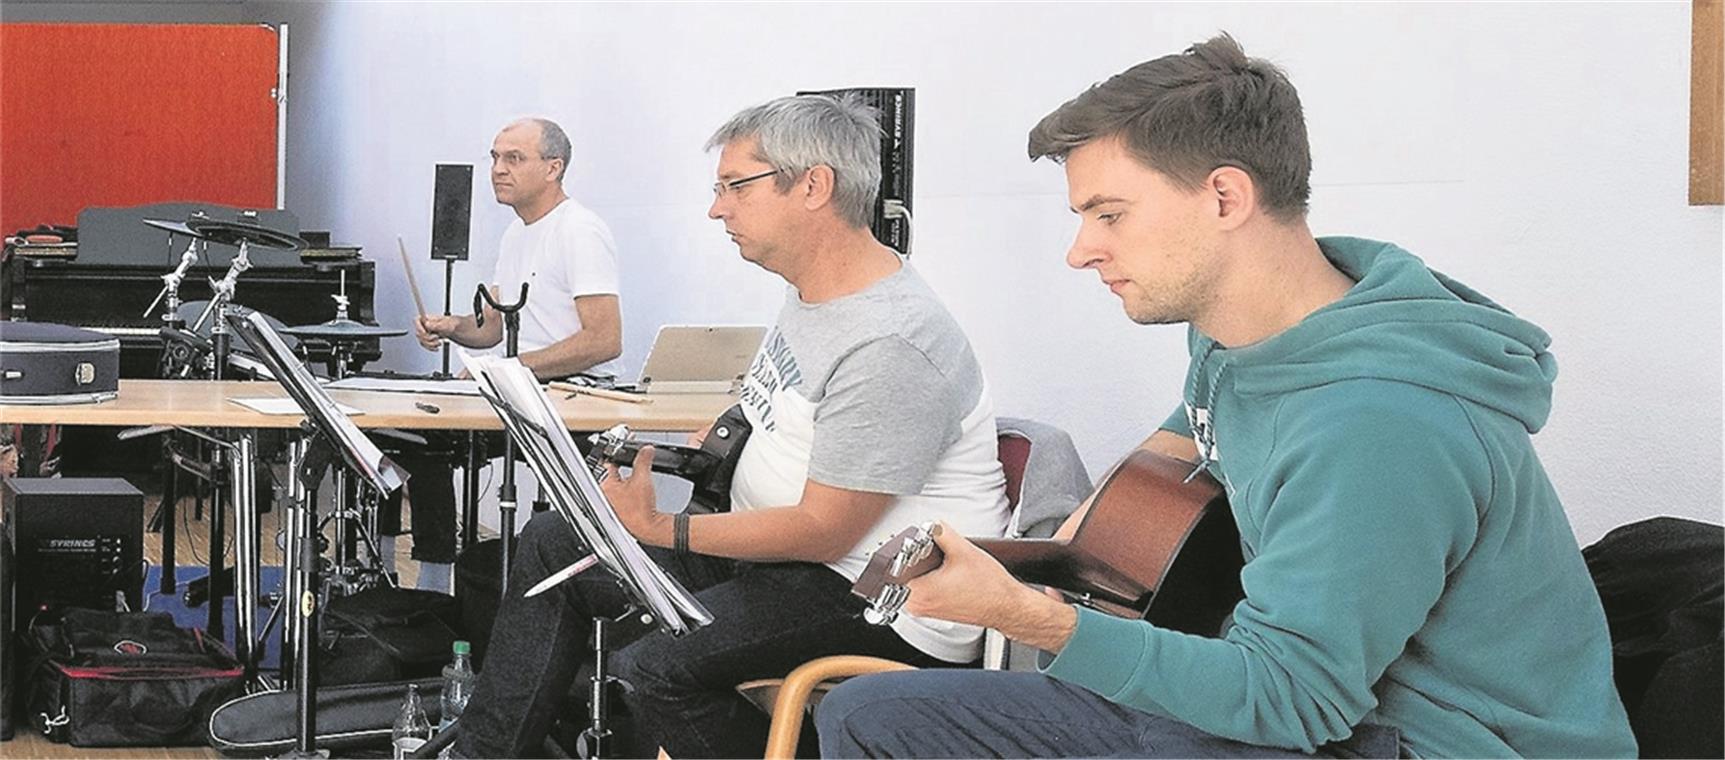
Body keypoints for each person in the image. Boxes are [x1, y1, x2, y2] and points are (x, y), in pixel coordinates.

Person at [816, 33, 1638, 759]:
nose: (1079, 251)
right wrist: (1072, 541)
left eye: (1108, 214)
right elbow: (1194, 433)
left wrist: (1029, 617)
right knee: (870, 715)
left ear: (1223, 198)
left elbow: (1293, 700)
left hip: (1423, 737)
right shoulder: (1243, 330)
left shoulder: (1379, 423)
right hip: (1299, 693)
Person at [453, 94, 1012, 759]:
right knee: (554, 540)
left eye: (733, 187)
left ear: (813, 186)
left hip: (877, 596)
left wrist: (661, 529)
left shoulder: (890, 342)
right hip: (783, 566)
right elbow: (766, 412)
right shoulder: (813, 291)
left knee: (659, 664)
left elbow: (825, 529)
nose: (716, 208)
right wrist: (698, 451)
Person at [383, 117, 624, 590]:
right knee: (410, 432)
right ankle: (414, 579)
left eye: (514, 158)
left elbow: (604, 341)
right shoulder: (516, 234)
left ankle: (437, 586)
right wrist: (450, 326)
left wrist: (504, 372)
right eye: (494, 157)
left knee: (427, 433)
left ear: (553, 167)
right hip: (522, 388)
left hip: (575, 396)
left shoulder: (579, 231)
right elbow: (493, 327)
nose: (498, 169)